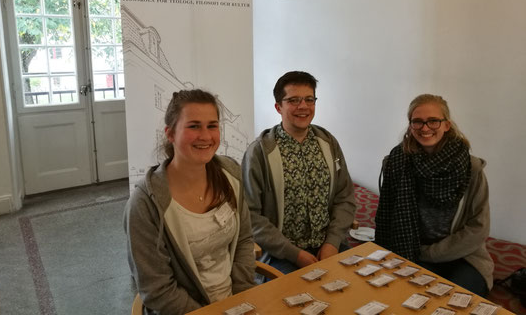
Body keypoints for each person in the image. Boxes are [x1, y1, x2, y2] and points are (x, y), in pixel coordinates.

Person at [124, 89, 256, 314]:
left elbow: (244, 239)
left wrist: (241, 297)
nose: (205, 136)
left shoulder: (230, 174)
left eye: (212, 126)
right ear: (170, 134)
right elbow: (158, 290)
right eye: (194, 126)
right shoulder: (145, 204)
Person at [375, 94, 494, 296]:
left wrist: (430, 254)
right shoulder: (396, 164)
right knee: (406, 298)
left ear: (446, 125)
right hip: (411, 252)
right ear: (410, 125)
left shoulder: (470, 169)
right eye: (417, 121)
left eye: (433, 121)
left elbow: (478, 228)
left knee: (454, 302)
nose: (425, 128)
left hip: (463, 257)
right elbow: (388, 215)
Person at [242, 71, 356, 274]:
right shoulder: (260, 152)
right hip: (282, 255)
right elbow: (250, 214)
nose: (303, 106)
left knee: (360, 293)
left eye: (309, 99)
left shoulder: (328, 143)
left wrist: (332, 242)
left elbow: (344, 196)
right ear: (279, 107)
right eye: (293, 100)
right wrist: (295, 254)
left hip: (329, 247)